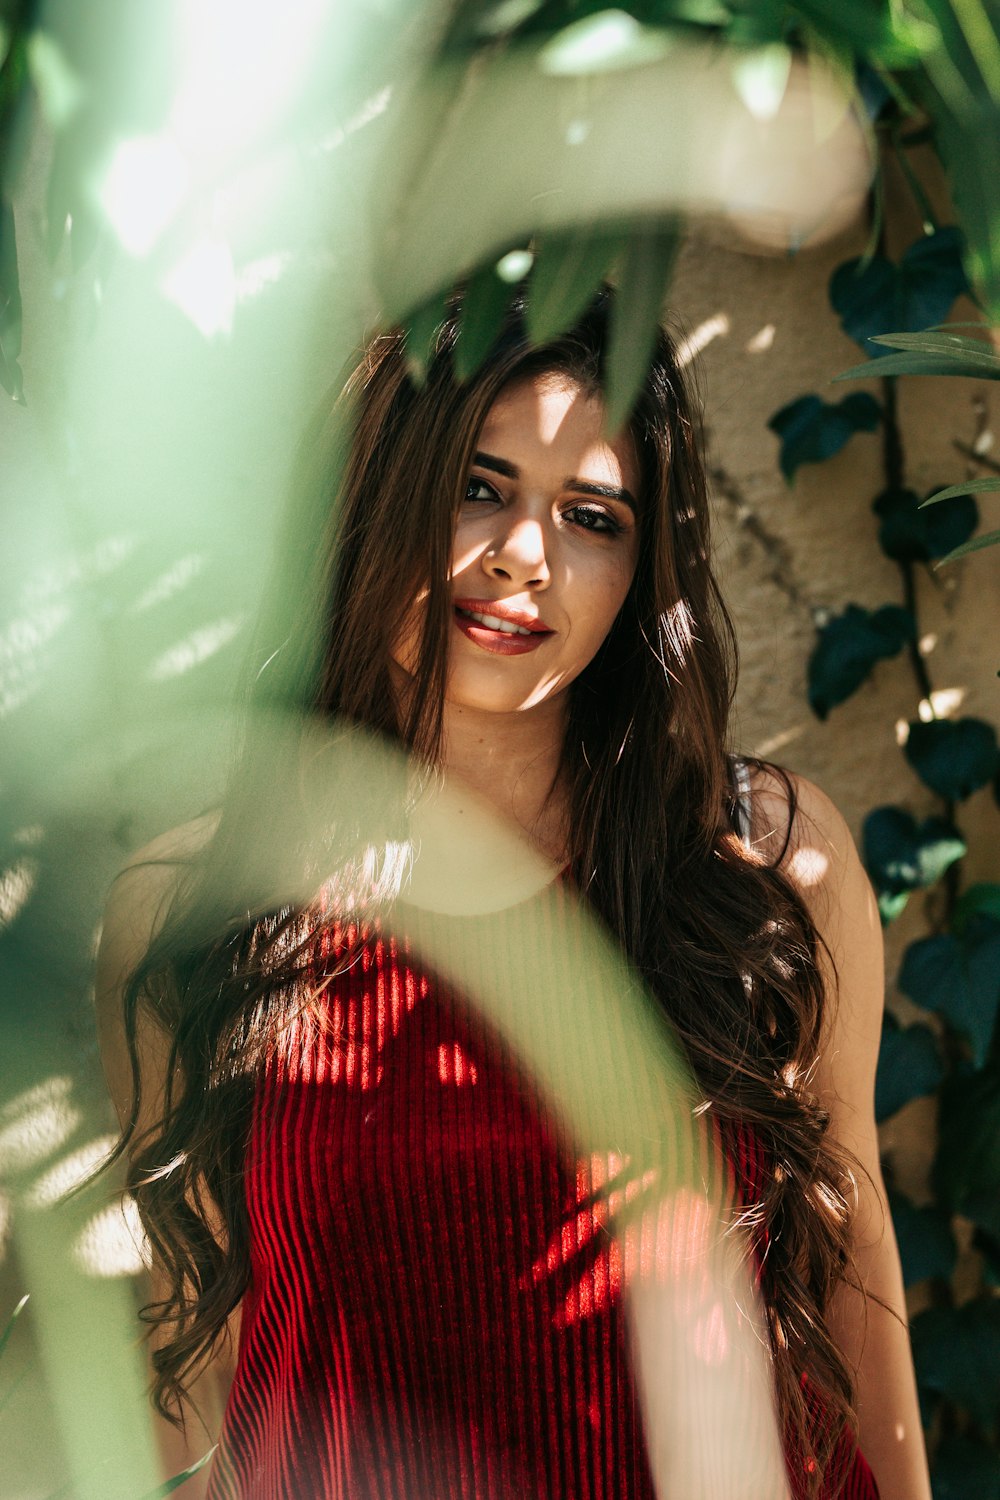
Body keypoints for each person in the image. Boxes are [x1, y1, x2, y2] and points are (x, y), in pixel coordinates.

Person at [96, 287, 931, 1500]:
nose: (523, 556)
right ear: (380, 494)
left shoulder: (762, 866)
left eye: (591, 515)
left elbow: (847, 1244)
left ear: (644, 572)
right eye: (478, 486)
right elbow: (193, 1329)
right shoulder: (198, 902)